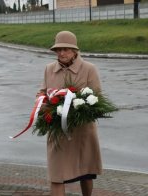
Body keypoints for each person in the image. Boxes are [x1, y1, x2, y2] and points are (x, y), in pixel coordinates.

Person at [37, 31, 102, 196]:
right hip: (57, 133)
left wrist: (78, 109)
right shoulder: (49, 69)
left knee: (86, 173)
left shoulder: (89, 69)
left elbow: (97, 99)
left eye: (65, 49)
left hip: (82, 133)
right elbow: (42, 92)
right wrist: (42, 102)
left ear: (74, 51)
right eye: (58, 50)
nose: (61, 53)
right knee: (56, 176)